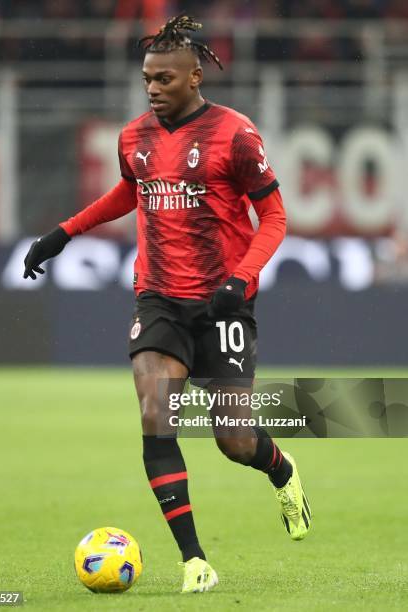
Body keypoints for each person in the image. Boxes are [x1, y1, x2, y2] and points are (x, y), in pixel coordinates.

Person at [23, 13, 312, 594]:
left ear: (195, 77)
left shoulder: (235, 135)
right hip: (156, 297)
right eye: (147, 79)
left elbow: (275, 217)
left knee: (233, 439)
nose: (152, 88)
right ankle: (194, 561)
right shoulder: (134, 136)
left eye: (163, 79)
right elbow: (129, 192)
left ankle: (281, 470)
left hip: (224, 303)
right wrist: (63, 232)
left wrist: (241, 279)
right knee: (156, 414)